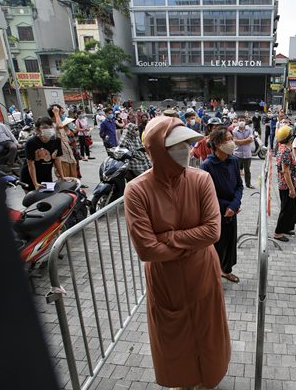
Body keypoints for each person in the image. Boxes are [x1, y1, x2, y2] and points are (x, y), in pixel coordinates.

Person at [124, 116, 231, 389]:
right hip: (166, 282)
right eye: (176, 145)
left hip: (202, 275)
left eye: (187, 142)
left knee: (208, 333)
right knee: (174, 340)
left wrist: (169, 237)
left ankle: (208, 378)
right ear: (156, 150)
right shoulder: (136, 191)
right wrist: (190, 246)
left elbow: (212, 232)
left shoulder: (201, 179)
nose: (186, 149)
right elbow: (147, 249)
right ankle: (182, 382)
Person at [201, 128, 243, 283]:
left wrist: (235, 204)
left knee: (230, 243)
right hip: (216, 212)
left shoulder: (234, 160)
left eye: (232, 138)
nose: (232, 142)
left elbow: (239, 185)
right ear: (218, 144)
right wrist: (228, 206)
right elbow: (206, 195)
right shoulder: (207, 166)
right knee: (215, 245)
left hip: (231, 211)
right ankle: (212, 274)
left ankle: (226, 270)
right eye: (228, 139)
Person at [20, 117, 65, 191]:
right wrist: (35, 184)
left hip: (46, 175)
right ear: (38, 129)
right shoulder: (31, 143)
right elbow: (31, 164)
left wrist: (62, 177)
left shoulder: (56, 140)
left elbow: (57, 160)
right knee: (33, 200)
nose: (49, 129)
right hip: (30, 177)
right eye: (45, 127)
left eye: (51, 127)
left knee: (48, 199)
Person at [273, 126, 296, 242]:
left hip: (289, 183)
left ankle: (286, 227)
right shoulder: (286, 151)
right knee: (285, 208)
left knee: (290, 208)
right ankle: (278, 232)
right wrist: (292, 189)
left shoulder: (283, 148)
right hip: (287, 185)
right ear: (290, 138)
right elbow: (286, 172)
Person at [232, 116, 254, 188]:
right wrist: (246, 140)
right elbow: (235, 141)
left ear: (245, 121)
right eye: (240, 120)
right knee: (236, 171)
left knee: (247, 170)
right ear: (238, 121)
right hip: (237, 154)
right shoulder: (235, 130)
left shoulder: (249, 129)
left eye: (243, 120)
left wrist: (240, 141)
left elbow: (250, 139)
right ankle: (237, 184)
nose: (241, 122)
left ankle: (248, 184)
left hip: (247, 154)